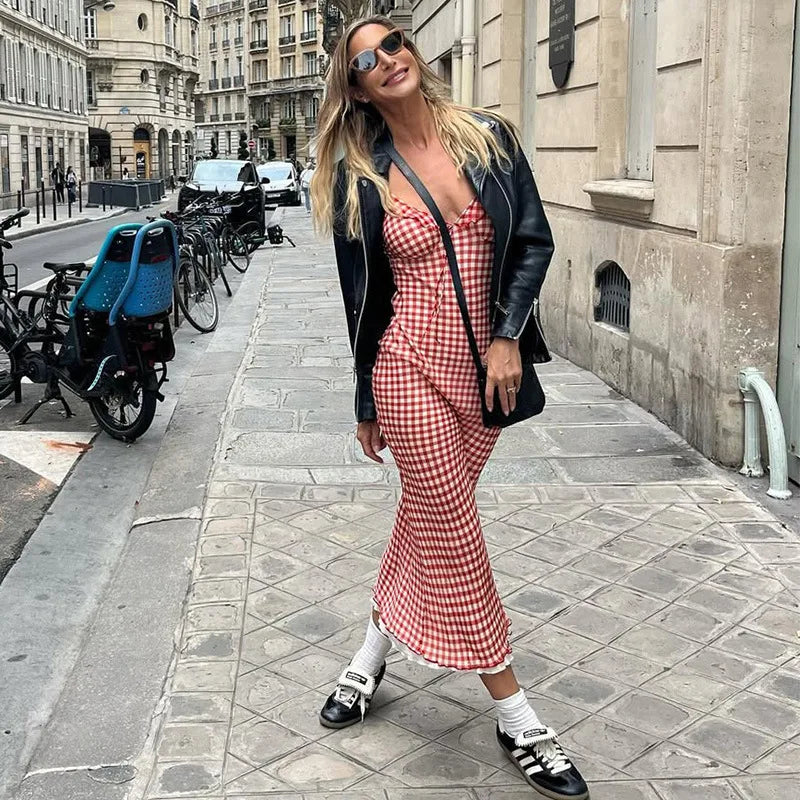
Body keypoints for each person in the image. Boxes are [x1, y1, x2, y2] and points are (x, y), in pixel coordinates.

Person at [310, 16, 588, 800]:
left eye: (391, 43)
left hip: (484, 377)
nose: (385, 60)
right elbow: (360, 298)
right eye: (364, 59)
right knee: (456, 530)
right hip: (406, 367)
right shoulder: (359, 172)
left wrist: (508, 338)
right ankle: (519, 716)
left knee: (427, 519)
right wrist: (367, 397)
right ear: (356, 85)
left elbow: (532, 241)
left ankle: (368, 656)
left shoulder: (490, 137)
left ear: (412, 53)